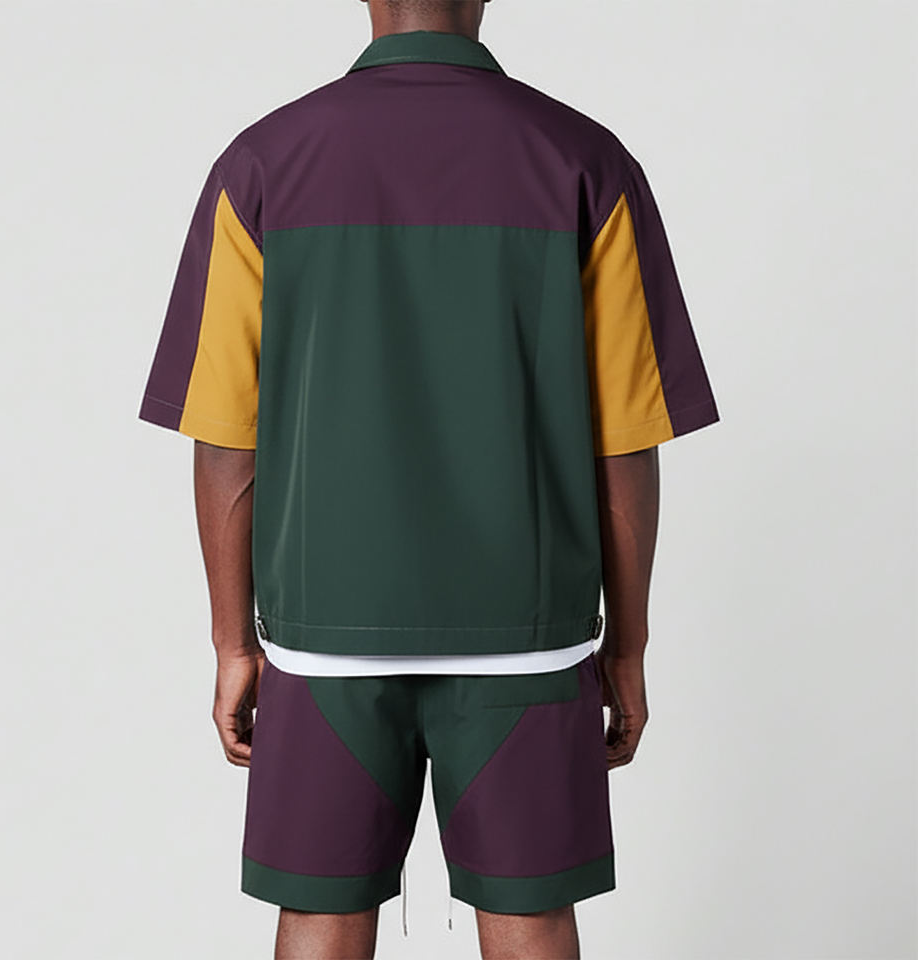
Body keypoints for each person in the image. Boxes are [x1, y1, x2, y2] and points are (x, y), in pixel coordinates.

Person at [138, 0, 719, 956]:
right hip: (528, 635)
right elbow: (623, 445)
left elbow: (227, 442)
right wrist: (629, 644)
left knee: (319, 910)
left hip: (325, 634)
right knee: (532, 913)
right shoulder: (586, 161)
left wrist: (232, 642)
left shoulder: (263, 163)